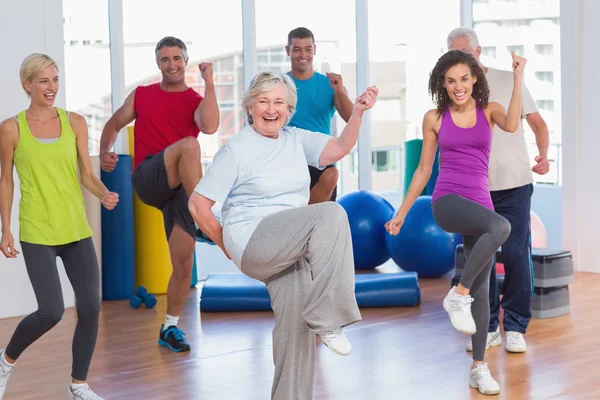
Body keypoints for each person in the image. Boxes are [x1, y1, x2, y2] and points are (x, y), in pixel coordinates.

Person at [188, 71, 377, 399]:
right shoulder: (237, 149)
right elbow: (198, 204)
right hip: (253, 239)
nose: (271, 109)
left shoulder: (295, 139)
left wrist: (357, 112)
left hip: (288, 243)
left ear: (289, 109)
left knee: (296, 329)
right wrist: (226, 245)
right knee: (331, 213)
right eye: (263, 101)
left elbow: (338, 149)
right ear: (250, 107)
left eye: (279, 102)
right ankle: (330, 317)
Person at [386, 49, 526, 396]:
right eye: (451, 81)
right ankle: (457, 293)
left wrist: (519, 77)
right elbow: (423, 170)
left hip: (480, 203)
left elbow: (512, 123)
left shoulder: (490, 111)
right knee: (502, 228)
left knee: (483, 291)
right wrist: (401, 213)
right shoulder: (434, 117)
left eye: (464, 78)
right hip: (447, 200)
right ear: (442, 85)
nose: (458, 86)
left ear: (475, 78)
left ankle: (479, 368)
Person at [0, 53, 119, 400]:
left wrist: (104, 193)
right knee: (51, 310)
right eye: (44, 81)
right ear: (27, 85)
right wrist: (5, 229)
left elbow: (86, 172)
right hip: (37, 230)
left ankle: (78, 385)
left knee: (90, 307)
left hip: (75, 229)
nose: (52, 88)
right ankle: (6, 362)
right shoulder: (11, 128)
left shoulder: (75, 122)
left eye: (55, 80)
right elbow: (5, 180)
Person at [99, 36, 219, 353]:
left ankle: (169, 327)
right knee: (189, 146)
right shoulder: (142, 95)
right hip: (149, 176)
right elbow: (113, 124)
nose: (172, 65)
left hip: (180, 190)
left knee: (182, 263)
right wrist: (104, 152)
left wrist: (209, 83)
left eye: (177, 58)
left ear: (185, 60)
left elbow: (210, 126)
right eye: (165, 59)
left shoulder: (194, 98)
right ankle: (204, 219)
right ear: (158, 64)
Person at [447, 27, 550, 354]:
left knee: (518, 254)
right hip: (474, 189)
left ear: (477, 53)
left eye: (464, 52)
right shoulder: (452, 89)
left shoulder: (508, 81)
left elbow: (537, 124)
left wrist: (544, 157)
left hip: (515, 184)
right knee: (480, 259)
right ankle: (488, 325)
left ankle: (516, 324)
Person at [285, 27, 354, 203]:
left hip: (320, 157)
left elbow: (351, 118)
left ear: (314, 50)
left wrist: (340, 91)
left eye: (308, 49)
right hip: (289, 159)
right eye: (297, 49)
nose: (303, 54)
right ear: (288, 51)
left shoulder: (329, 85)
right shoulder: (279, 84)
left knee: (331, 176)